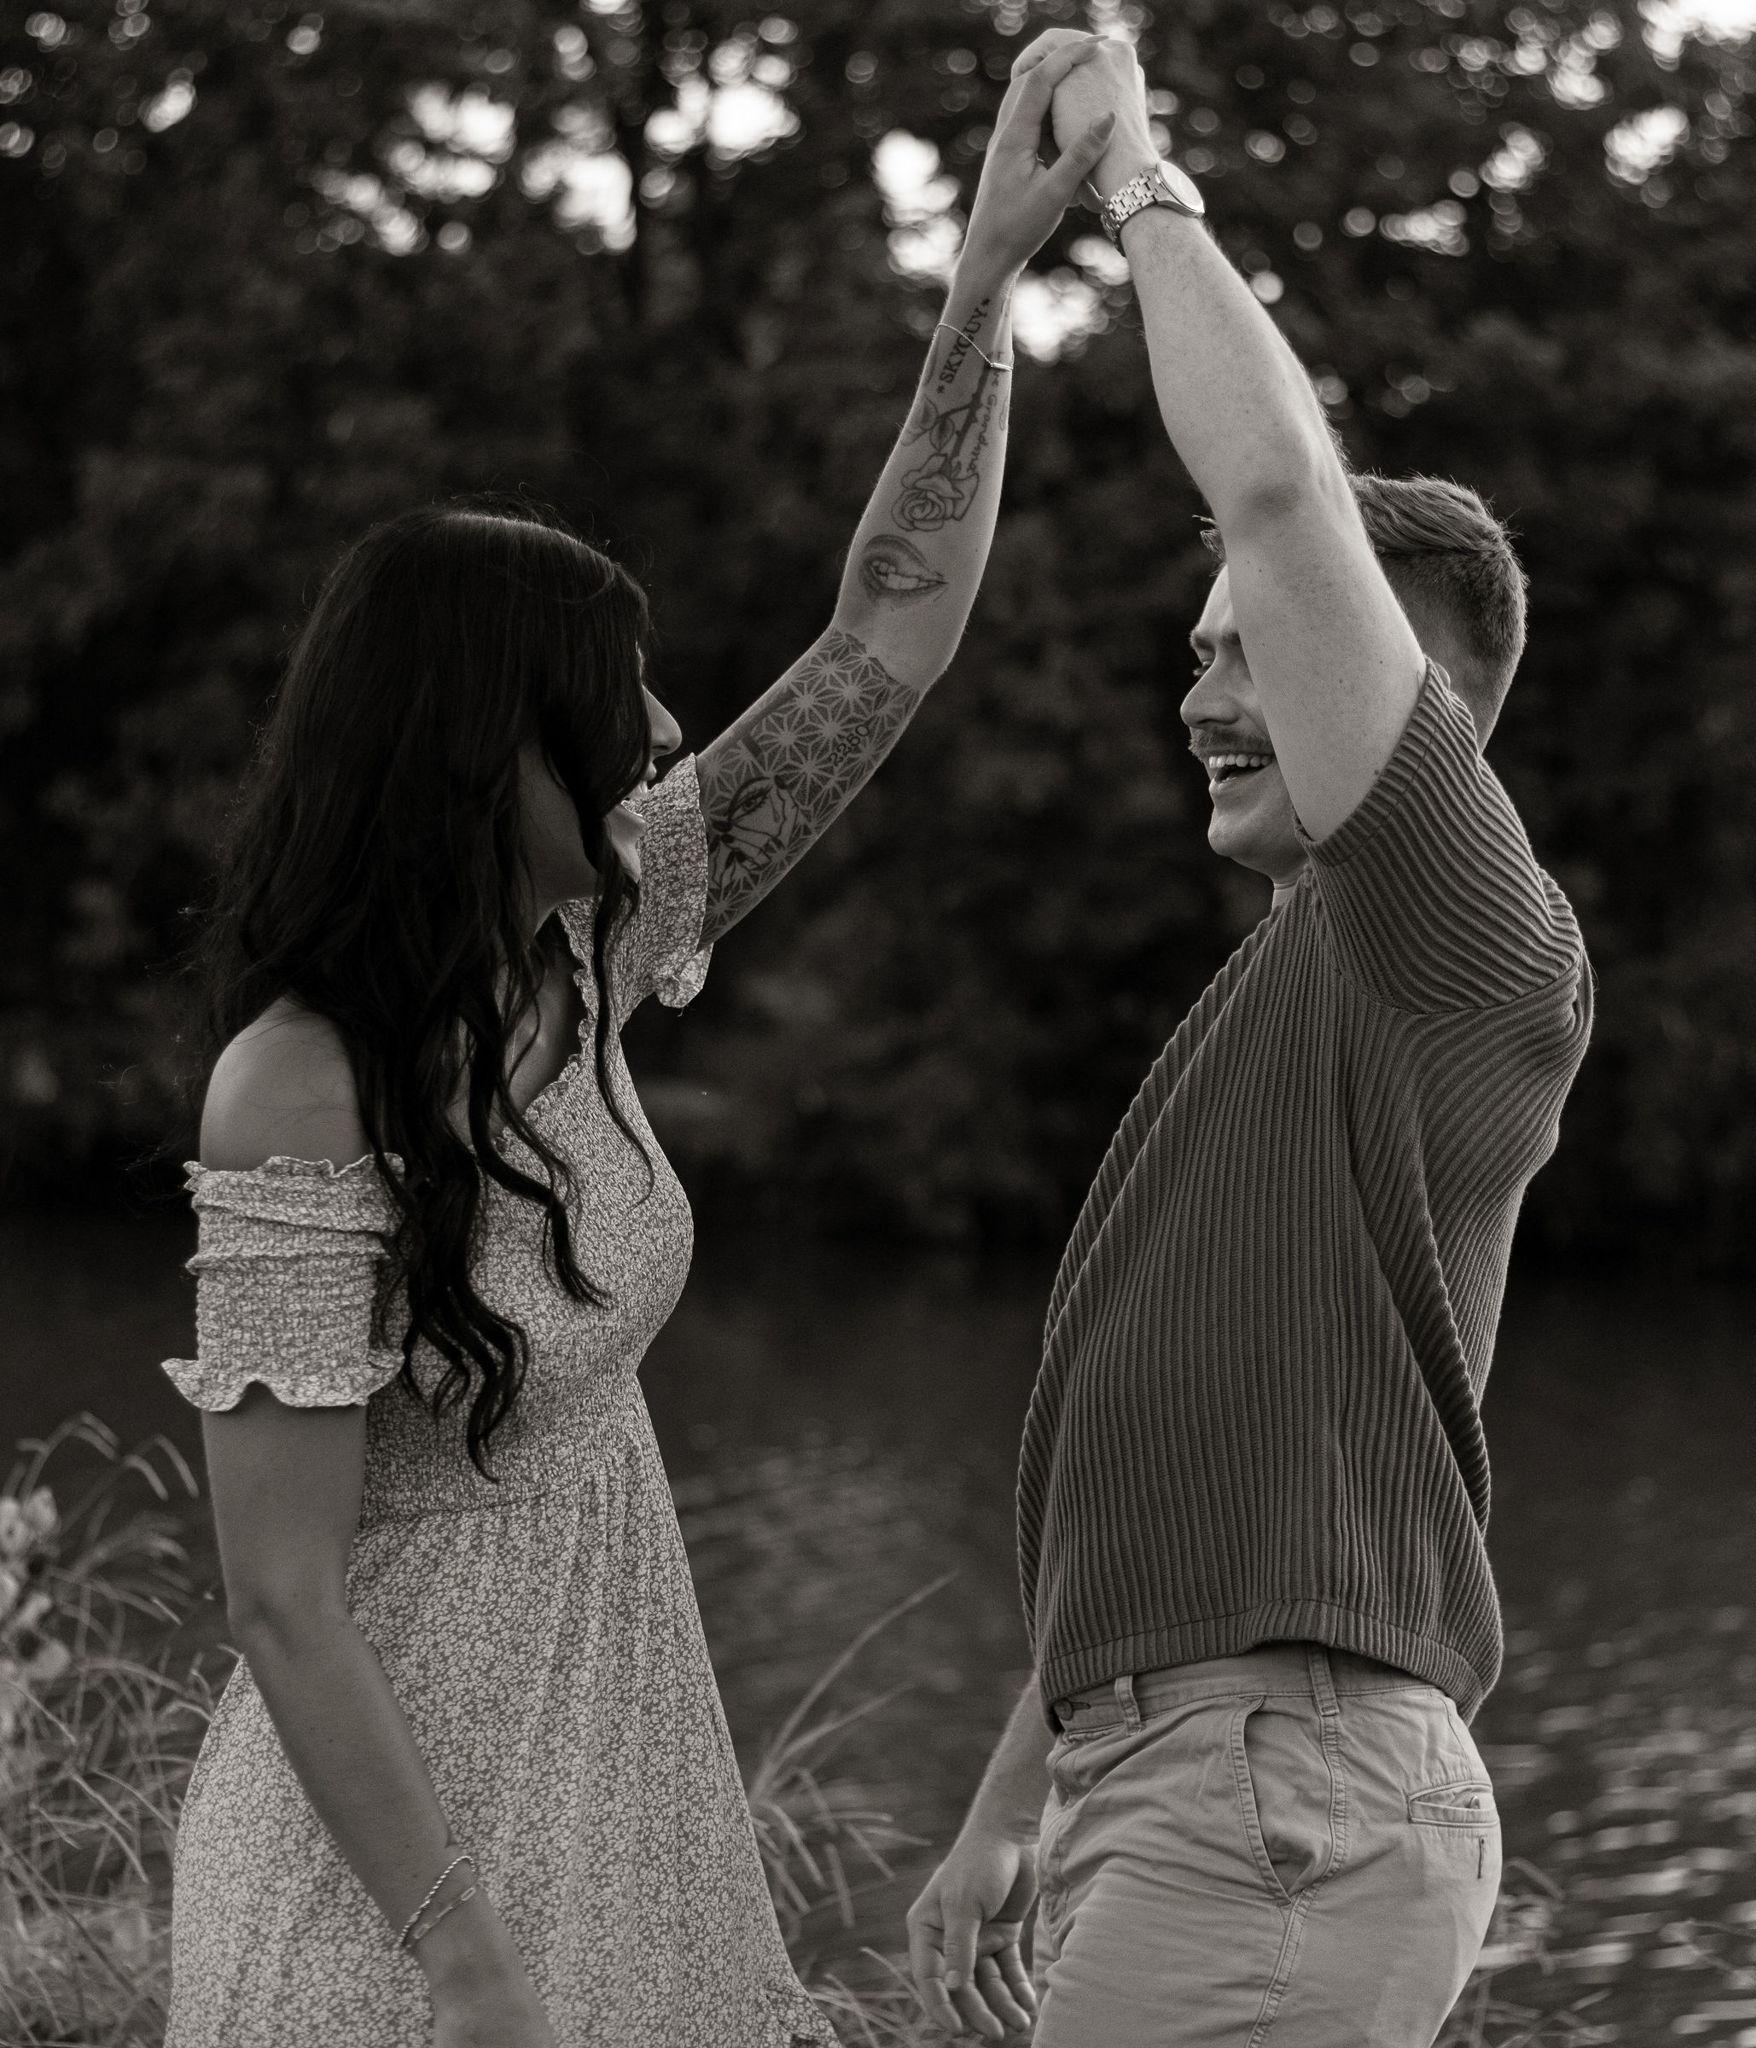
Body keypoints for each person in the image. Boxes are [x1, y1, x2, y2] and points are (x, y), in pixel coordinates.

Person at [157, 43, 1116, 2048]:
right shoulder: (300, 1086)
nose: (666, 732)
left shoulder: (596, 943)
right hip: (396, 1888)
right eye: (615, 700)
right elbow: (281, 1599)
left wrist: (985, 280)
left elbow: (888, 637)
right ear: (477, 746)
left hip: (618, 1795)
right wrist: (463, 1956)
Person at [908, 31, 1595, 2048]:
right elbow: (1195, 1486)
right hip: (1198, 1781)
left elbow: (1278, 490)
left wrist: (1134, 180)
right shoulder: (1290, 994)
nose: (1204, 694)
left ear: (1413, 696)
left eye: (1252, 648)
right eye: (1196, 651)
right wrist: (1010, 1810)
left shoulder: (1455, 937)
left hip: (1275, 1807)